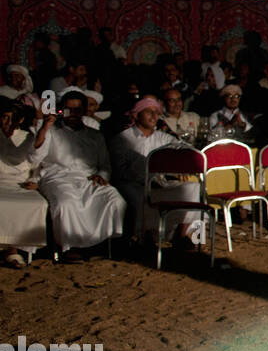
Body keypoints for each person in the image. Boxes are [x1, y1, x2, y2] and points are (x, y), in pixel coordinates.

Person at [28, 90, 127, 261]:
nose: (72, 114)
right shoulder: (51, 132)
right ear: (62, 110)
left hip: (88, 178)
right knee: (66, 204)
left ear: (84, 111)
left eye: (77, 110)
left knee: (115, 200)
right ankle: (70, 247)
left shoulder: (95, 135)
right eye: (68, 110)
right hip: (57, 178)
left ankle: (98, 245)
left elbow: (104, 165)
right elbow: (34, 157)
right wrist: (45, 127)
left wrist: (102, 176)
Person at [110, 96, 202, 247]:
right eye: (149, 112)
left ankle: (184, 235)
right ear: (136, 114)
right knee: (141, 197)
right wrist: (147, 180)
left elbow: (183, 147)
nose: (154, 116)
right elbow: (119, 171)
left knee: (193, 188)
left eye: (157, 113)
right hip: (133, 185)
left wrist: (184, 159)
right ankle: (146, 237)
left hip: (159, 184)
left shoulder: (163, 137)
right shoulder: (122, 139)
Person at [0, 97, 46, 268]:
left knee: (32, 204)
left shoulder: (28, 137)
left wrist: (35, 181)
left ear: (20, 120)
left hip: (20, 185)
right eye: (4, 117)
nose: (8, 122)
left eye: (12, 118)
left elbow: (38, 166)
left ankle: (12, 250)